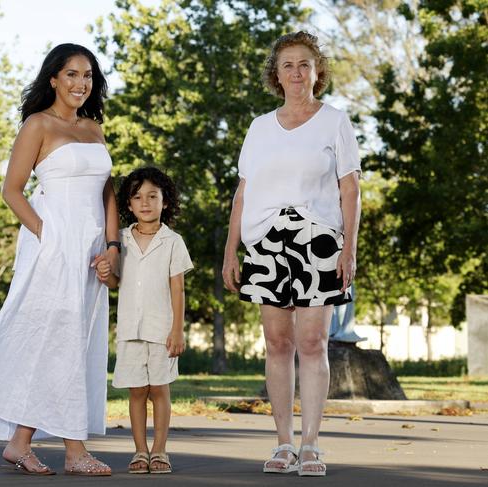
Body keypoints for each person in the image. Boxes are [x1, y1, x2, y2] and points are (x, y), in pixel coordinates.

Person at [0, 43, 119, 476]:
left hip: (93, 252)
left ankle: (19, 443)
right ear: (53, 78)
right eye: (72, 74)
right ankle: (74, 452)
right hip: (54, 249)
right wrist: (48, 235)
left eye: (88, 76)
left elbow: (107, 191)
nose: (81, 83)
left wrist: (112, 247)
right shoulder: (38, 125)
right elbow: (12, 190)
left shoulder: (94, 129)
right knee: (53, 341)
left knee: (70, 343)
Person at [222, 31, 361, 477]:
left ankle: (311, 444)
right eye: (288, 65)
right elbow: (243, 192)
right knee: (277, 343)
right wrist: (231, 252)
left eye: (305, 63)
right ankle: (283, 443)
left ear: (317, 71)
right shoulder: (259, 128)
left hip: (320, 239)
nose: (297, 72)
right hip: (265, 239)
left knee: (312, 342)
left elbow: (350, 188)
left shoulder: (334, 121)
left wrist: (349, 250)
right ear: (276, 74)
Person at [94, 167, 193, 474]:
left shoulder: (173, 241)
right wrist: (105, 273)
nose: (145, 203)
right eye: (137, 197)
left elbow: (178, 288)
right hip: (129, 330)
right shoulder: (119, 240)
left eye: (153, 196)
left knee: (159, 390)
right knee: (137, 391)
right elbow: (114, 283)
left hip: (162, 329)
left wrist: (177, 330)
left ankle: (160, 451)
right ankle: (140, 451)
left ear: (165, 202)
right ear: (128, 204)